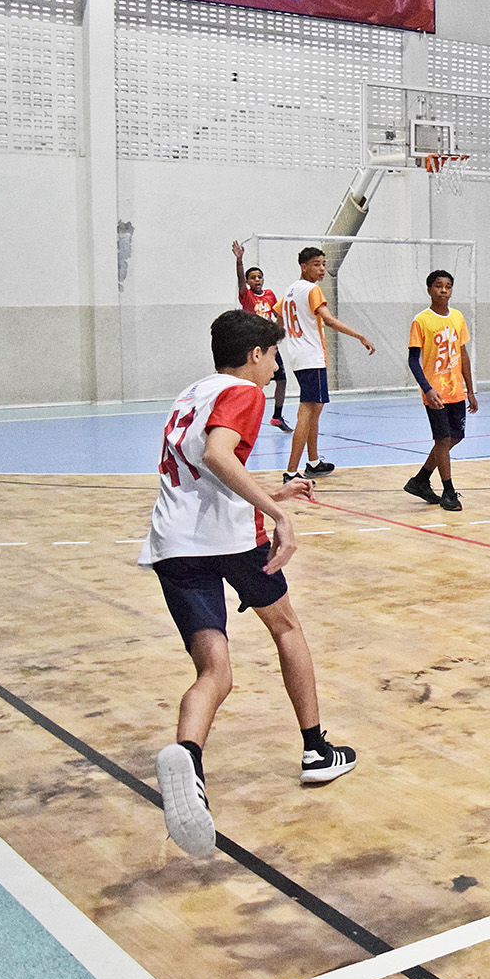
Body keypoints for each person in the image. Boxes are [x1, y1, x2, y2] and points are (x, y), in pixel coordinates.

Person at [142, 310, 356, 858]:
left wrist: (271, 492)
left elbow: (201, 466)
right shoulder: (245, 391)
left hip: (174, 543)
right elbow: (218, 454)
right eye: (274, 356)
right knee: (286, 629)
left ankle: (188, 757)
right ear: (255, 354)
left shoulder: (192, 393)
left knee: (214, 671)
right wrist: (277, 513)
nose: (276, 367)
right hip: (232, 539)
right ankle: (316, 750)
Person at [279, 246, 375, 483]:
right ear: (304, 266)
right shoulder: (312, 290)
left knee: (315, 409)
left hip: (297, 357)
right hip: (311, 357)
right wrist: (360, 336)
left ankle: (313, 462)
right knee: (307, 412)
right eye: (316, 264)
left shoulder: (289, 290)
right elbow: (329, 321)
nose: (322, 269)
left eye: (323, 264)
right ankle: (291, 472)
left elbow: (279, 321)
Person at [403, 270, 477, 511]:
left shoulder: (457, 317)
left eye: (448, 286)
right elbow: (413, 360)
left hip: (457, 391)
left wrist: (470, 390)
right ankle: (448, 491)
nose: (443, 290)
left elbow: (463, 355)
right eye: (438, 286)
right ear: (429, 290)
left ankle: (421, 480)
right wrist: (427, 389)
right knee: (443, 440)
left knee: (456, 437)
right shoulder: (421, 320)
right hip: (435, 393)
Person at [232, 241, 292, 431]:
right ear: (248, 282)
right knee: (254, 383)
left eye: (259, 277)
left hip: (270, 344)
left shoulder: (270, 295)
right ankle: (247, 417)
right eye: (253, 278)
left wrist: (276, 331)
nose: (257, 280)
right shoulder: (246, 295)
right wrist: (239, 260)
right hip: (254, 345)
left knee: (281, 379)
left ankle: (277, 416)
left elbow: (278, 315)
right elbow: (240, 280)